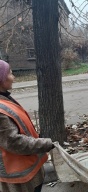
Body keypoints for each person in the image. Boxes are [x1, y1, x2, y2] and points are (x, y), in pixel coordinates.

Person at [0, 60, 54, 192]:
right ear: (1, 78)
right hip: (20, 175)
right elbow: (14, 142)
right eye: (11, 74)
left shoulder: (5, 98)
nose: (13, 78)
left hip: (27, 165)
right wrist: (45, 143)